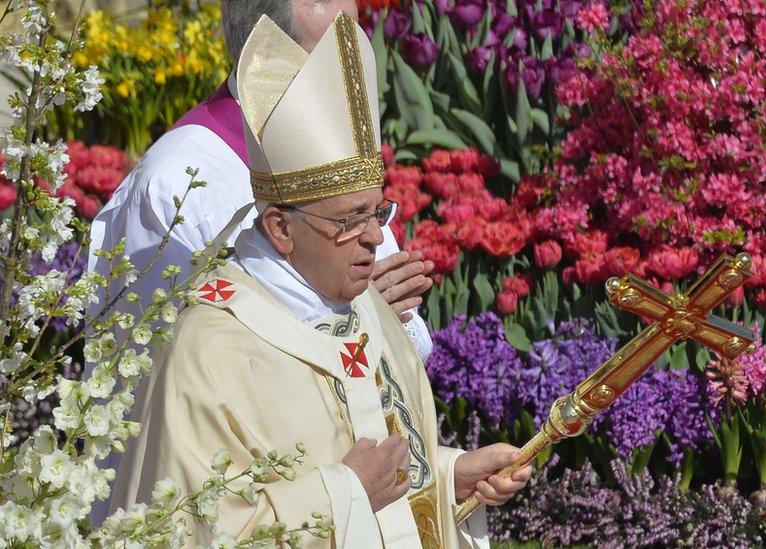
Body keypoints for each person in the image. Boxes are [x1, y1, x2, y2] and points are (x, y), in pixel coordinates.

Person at [107, 12, 530, 547]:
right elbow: (195, 528)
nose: (376, 239)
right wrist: (345, 492)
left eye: (378, 213)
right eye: (348, 221)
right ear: (280, 228)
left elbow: (385, 465)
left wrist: (450, 477)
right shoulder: (209, 350)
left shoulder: (363, 307)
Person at [86, 0, 436, 362]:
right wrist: (350, 320)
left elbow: (406, 327)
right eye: (329, 62)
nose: (347, 82)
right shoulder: (173, 186)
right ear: (263, 55)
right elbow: (164, 371)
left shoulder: (337, 151)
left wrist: (374, 319)